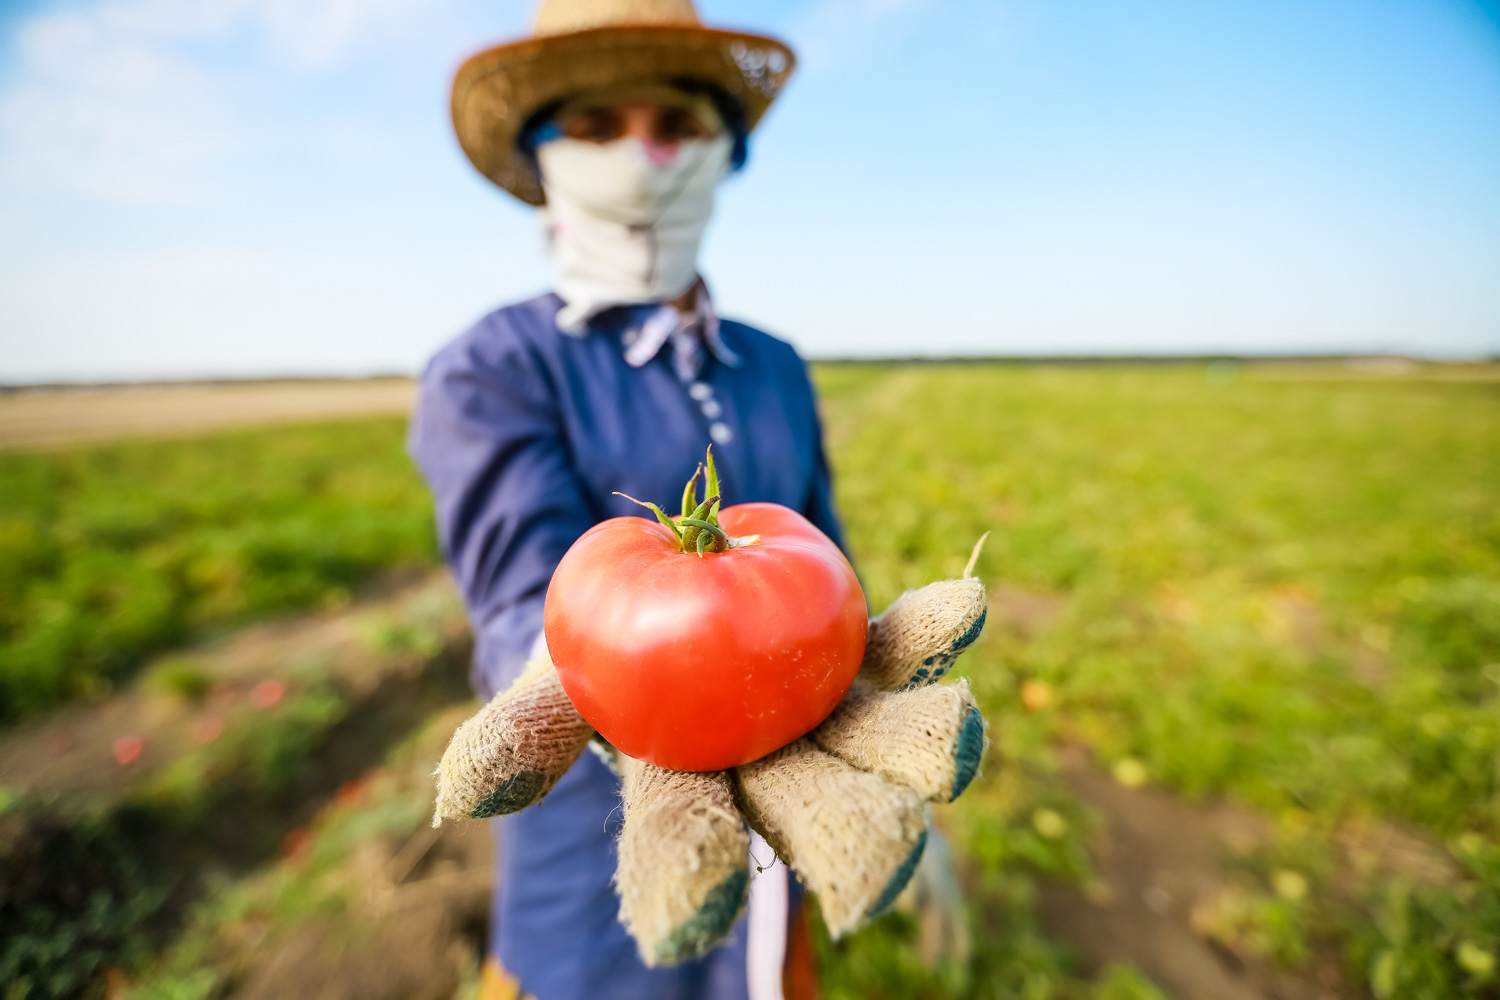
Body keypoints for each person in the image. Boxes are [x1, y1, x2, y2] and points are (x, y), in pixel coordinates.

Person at [410, 2, 989, 998]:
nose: (643, 155)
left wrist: (883, 764)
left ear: (724, 153)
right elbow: (518, 598)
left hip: (778, 893)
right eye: (595, 126)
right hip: (589, 890)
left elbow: (832, 578)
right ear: (542, 158)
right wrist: (586, 687)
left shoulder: (773, 365)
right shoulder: (493, 367)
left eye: (676, 124)